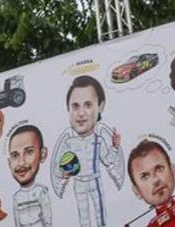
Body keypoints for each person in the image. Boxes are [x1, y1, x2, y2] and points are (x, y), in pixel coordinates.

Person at [51, 76, 124, 227]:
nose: (81, 113)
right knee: (83, 214)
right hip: (78, 183)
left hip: (95, 180)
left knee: (100, 212)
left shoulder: (98, 139)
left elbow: (109, 159)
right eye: (75, 106)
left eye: (88, 105)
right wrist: (64, 174)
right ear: (68, 110)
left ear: (100, 107)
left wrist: (115, 147)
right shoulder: (68, 142)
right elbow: (59, 166)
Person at [7, 124, 52, 227]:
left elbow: (48, 220)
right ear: (9, 163)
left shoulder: (41, 192)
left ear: (42, 154)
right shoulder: (16, 198)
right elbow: (17, 223)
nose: (21, 162)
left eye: (29, 152)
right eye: (15, 155)